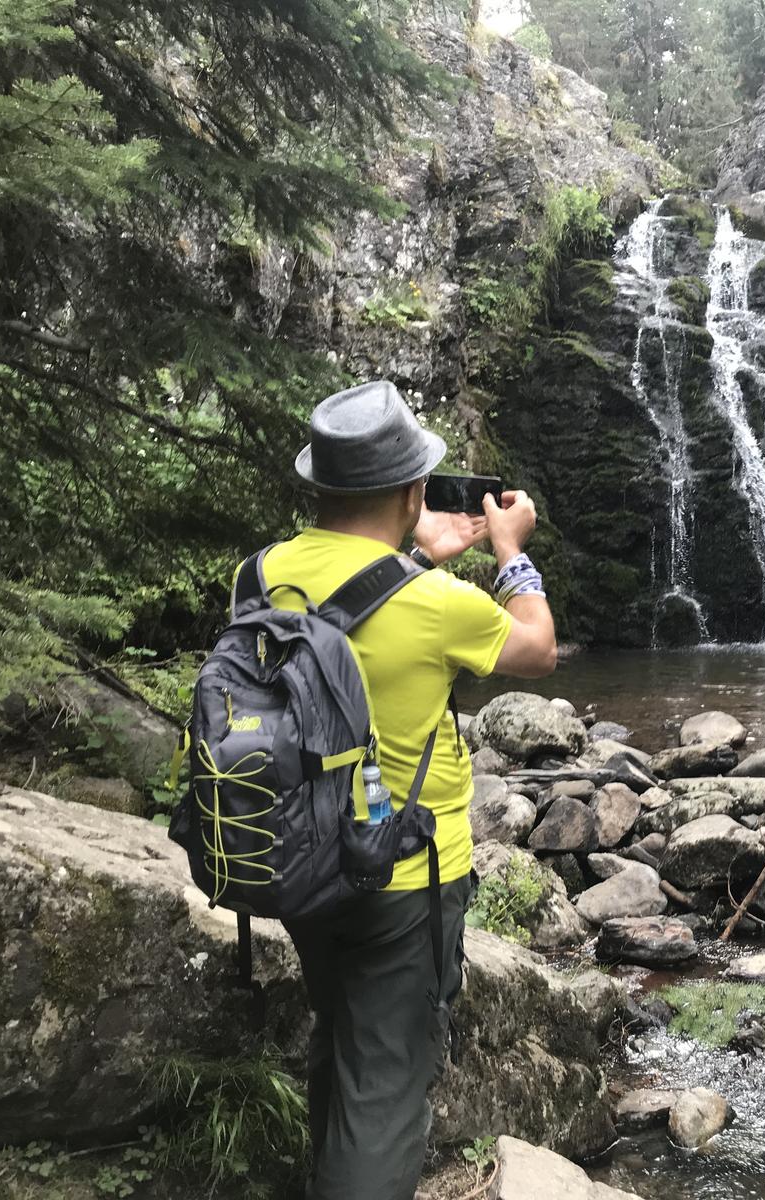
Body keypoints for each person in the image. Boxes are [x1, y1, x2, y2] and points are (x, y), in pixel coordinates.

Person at [265, 380, 555, 1199]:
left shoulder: (261, 575)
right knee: (388, 1080)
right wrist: (509, 550)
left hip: (297, 859)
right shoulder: (437, 602)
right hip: (402, 877)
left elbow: (342, 622)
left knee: (343, 1036)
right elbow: (536, 648)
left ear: (320, 485)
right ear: (410, 491)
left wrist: (413, 553)